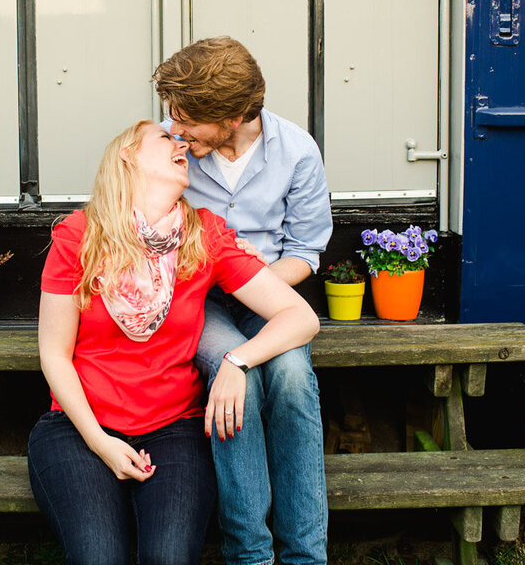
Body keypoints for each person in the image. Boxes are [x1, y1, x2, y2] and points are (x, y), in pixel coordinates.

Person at [27, 120, 321, 565]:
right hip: (79, 427)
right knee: (98, 558)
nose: (180, 142)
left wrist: (236, 361)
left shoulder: (206, 236)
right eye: (165, 137)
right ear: (127, 154)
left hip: (173, 429)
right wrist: (100, 442)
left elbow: (301, 317)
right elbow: (54, 353)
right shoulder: (78, 236)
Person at [153, 37, 332, 565]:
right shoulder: (167, 149)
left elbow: (305, 250)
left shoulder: (297, 151)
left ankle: (305, 557)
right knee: (242, 386)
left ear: (232, 117)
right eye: (173, 116)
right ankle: (250, 554)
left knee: (296, 379)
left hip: (269, 292)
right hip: (195, 299)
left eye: (188, 121)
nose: (176, 129)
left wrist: (253, 280)